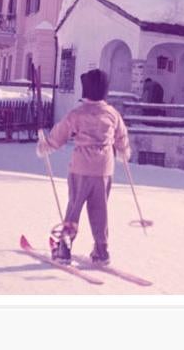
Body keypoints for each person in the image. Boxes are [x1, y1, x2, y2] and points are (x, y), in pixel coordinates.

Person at [37, 68, 130, 266]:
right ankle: (102, 250)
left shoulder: (78, 113)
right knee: (100, 210)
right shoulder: (112, 114)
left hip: (81, 168)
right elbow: (121, 137)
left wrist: (47, 145)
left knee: (74, 208)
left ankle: (64, 249)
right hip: (104, 169)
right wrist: (123, 150)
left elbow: (60, 133)